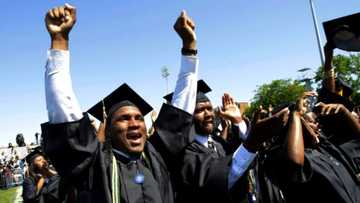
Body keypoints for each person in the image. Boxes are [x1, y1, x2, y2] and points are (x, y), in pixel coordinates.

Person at [41, 4, 198, 203]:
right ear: (109, 130)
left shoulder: (157, 156)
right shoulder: (94, 167)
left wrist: (189, 46)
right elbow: (64, 109)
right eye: (124, 119)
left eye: (139, 118)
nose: (134, 123)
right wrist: (59, 41)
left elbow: (181, 108)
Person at [264, 92, 360, 203]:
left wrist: (345, 112)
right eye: (309, 121)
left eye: (316, 121)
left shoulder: (325, 146)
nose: (316, 125)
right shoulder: (277, 157)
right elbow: (294, 163)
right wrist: (295, 113)